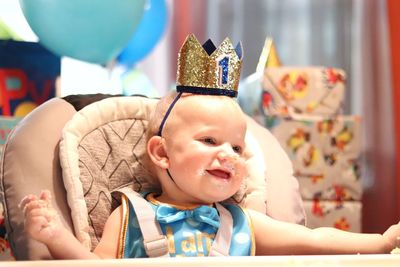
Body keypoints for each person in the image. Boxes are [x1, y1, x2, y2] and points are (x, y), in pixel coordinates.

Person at [19, 34, 400, 259]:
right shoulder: (130, 215)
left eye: (237, 148)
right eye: (209, 141)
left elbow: (315, 240)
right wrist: (57, 239)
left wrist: (382, 242)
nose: (229, 156)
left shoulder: (242, 222)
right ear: (162, 153)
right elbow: (94, 266)